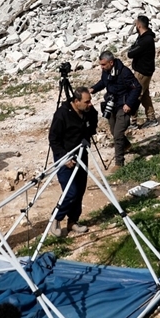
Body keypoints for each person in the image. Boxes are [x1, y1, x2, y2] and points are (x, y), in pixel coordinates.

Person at [48, 87, 98, 237]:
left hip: (81, 154)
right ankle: (56, 217)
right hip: (65, 157)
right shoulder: (62, 115)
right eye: (86, 101)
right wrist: (64, 158)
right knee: (71, 191)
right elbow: (53, 139)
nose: (90, 104)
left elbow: (94, 119)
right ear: (76, 101)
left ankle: (73, 221)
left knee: (80, 189)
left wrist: (89, 133)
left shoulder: (88, 111)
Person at [90, 51, 141, 168]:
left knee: (118, 133)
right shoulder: (106, 71)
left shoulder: (124, 72)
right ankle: (126, 145)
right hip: (111, 104)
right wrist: (93, 89)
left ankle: (119, 163)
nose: (101, 67)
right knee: (113, 131)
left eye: (103, 64)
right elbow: (103, 82)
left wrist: (129, 103)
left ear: (111, 62)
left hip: (123, 106)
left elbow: (137, 88)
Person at [127, 15, 157, 128]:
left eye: (136, 24)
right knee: (145, 96)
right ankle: (151, 118)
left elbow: (130, 53)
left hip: (142, 72)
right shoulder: (144, 37)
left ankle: (132, 121)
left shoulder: (145, 40)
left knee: (135, 94)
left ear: (139, 25)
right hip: (145, 70)